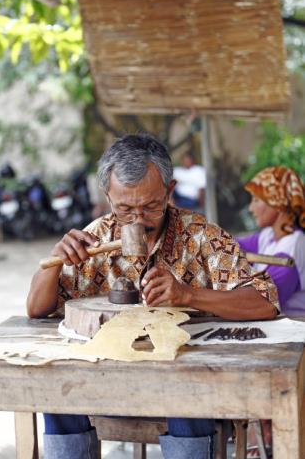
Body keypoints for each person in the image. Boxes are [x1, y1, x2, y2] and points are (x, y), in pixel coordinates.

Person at [27, 134, 278, 459]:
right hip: (108, 382)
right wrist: (54, 263)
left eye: (151, 206)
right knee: (56, 390)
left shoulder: (202, 237)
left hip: (185, 386)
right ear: (108, 197)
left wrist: (189, 295)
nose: (138, 220)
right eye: (125, 209)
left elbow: (265, 302)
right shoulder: (95, 240)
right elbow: (36, 309)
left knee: (189, 389)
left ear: (169, 192)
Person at [237, 166, 305, 316]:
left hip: (294, 335)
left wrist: (191, 296)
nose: (250, 208)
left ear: (278, 202)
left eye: (256, 200)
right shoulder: (269, 236)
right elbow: (230, 244)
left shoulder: (291, 247)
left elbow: (261, 302)